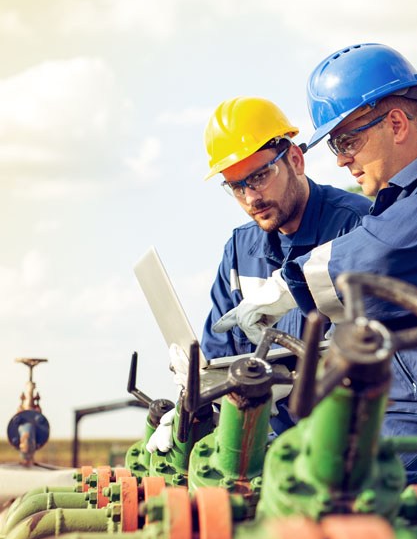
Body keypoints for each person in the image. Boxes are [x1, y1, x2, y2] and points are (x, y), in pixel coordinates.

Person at [214, 45, 417, 483]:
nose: (340, 159)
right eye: (335, 144)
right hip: (416, 412)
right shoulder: (408, 201)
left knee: (318, 496)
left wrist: (285, 288)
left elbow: (379, 256)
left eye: (348, 140)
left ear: (397, 123)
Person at [148, 97, 371, 452]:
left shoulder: (358, 226)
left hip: (344, 441)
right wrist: (192, 403)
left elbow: (372, 352)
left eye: (260, 177)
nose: (251, 197)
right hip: (267, 444)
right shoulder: (239, 252)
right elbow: (219, 357)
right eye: (237, 187)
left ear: (296, 160)